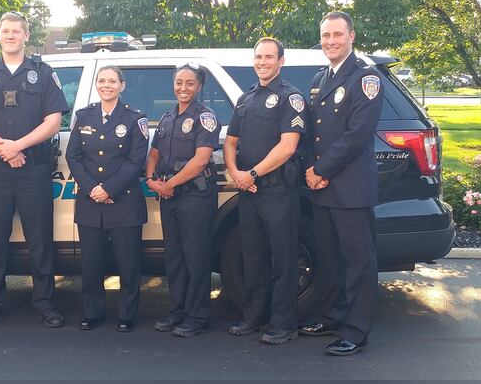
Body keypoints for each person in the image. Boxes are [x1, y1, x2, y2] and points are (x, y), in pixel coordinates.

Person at [0, 11, 69, 328]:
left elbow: (53, 121)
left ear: (26, 36)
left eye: (16, 31)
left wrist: (18, 146)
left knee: (40, 240)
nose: (10, 35)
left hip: (33, 170)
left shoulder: (43, 72)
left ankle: (45, 303)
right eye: (5, 30)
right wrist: (4, 148)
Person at [298, 11, 384, 356]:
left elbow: (357, 135)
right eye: (325, 35)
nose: (330, 41)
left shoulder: (366, 78)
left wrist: (321, 169)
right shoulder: (321, 77)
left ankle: (356, 329)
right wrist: (309, 169)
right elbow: (310, 132)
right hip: (322, 186)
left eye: (337, 34)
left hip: (349, 187)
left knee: (358, 261)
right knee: (330, 258)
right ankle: (333, 316)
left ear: (352, 36)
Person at [223, 37, 307, 345]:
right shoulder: (246, 99)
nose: (262, 62)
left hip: (277, 191)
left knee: (283, 258)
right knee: (253, 256)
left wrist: (253, 173)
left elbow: (288, 147)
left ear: (280, 61)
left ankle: (284, 324)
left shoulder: (290, 98)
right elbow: (230, 142)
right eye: (258, 57)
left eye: (269, 57)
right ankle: (253, 316)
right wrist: (236, 173)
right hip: (249, 190)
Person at [65, 66, 149, 332]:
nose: (106, 85)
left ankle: (127, 314)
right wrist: (93, 189)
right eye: (102, 81)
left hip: (123, 201)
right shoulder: (83, 116)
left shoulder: (135, 118)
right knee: (90, 263)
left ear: (122, 86)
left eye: (112, 81)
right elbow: (73, 157)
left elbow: (136, 161)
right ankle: (93, 312)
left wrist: (108, 189)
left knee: (128, 262)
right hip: (91, 202)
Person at [146, 63, 220, 338]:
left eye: (190, 83)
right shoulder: (167, 118)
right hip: (170, 195)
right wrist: (152, 178)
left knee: (196, 258)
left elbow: (201, 160)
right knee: (174, 257)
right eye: (179, 82)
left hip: (194, 196)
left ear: (198, 86)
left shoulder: (205, 117)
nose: (183, 88)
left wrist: (170, 185)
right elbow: (153, 153)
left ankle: (197, 317)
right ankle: (177, 312)